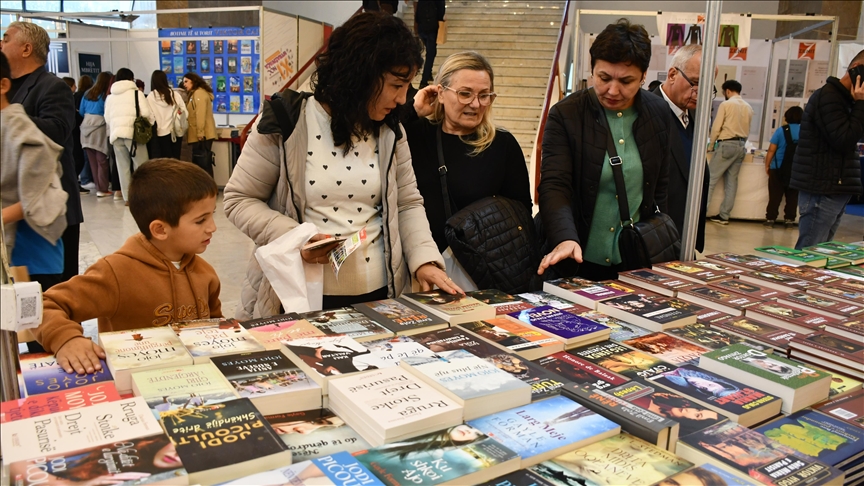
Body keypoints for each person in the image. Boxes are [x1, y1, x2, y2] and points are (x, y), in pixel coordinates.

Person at [224, 12, 459, 319]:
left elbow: (407, 204)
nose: (403, 99)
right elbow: (239, 200)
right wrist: (297, 235)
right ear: (361, 74)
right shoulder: (286, 121)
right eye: (396, 85)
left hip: (380, 295)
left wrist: (425, 260)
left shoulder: (390, 131)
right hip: (301, 297)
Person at [34, 159, 222, 375]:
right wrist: (66, 338)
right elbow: (44, 305)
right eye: (201, 220)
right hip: (134, 386)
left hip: (198, 382)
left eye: (212, 215)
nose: (213, 228)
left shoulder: (205, 273)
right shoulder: (115, 273)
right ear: (160, 229)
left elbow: (217, 326)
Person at [537, 18, 672, 281]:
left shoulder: (658, 113)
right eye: (604, 77)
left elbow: (660, 187)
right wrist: (565, 237)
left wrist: (659, 238)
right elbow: (555, 185)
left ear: (644, 76)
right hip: (576, 257)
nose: (613, 90)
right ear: (592, 70)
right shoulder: (566, 115)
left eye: (626, 81)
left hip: (635, 259)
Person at [407, 51, 532, 288]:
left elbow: (520, 215)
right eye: (465, 94)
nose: (475, 104)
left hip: (480, 276)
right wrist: (413, 110)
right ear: (441, 93)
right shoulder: (416, 134)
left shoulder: (502, 145)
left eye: (484, 96)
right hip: (419, 271)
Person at [1, 21, 83, 283]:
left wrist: (11, 117)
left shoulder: (51, 86)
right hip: (14, 212)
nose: (1, 44)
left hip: (50, 205)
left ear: (26, 48)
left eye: (5, 38)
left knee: (58, 294)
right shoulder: (9, 87)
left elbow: (58, 130)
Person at [791, 49, 864, 249]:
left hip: (835, 188)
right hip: (822, 189)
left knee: (820, 253)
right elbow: (844, 139)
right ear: (856, 69)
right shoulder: (829, 97)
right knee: (808, 254)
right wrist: (861, 105)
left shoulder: (847, 101)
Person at [652, 44, 712, 253]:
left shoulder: (695, 114)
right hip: (657, 238)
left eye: (707, 87)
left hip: (686, 235)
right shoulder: (647, 113)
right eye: (695, 83)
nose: (699, 94)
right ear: (672, 74)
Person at [706, 79, 754, 225]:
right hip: (741, 145)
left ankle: (701, 212)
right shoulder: (748, 107)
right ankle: (724, 215)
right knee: (732, 182)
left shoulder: (726, 104)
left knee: (710, 179)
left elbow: (716, 127)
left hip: (726, 144)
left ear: (727, 91)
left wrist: (711, 144)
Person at [104, 67, 153, 204]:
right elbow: (146, 114)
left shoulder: (110, 97)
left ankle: (128, 198)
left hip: (116, 135)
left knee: (122, 167)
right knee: (141, 167)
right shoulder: (137, 94)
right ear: (132, 79)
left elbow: (107, 118)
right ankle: (143, 197)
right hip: (134, 135)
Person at [763, 106, 803, 228]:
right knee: (792, 196)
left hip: (778, 167)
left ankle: (770, 218)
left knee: (775, 194)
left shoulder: (781, 130)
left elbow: (771, 150)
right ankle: (790, 219)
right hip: (797, 169)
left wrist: (767, 165)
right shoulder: (805, 131)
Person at [79, 71, 113, 197]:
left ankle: (99, 187)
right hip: (99, 127)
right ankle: (103, 189)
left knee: (92, 161)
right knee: (102, 160)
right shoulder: (105, 95)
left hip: (85, 127)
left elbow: (81, 111)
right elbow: (107, 112)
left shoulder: (87, 93)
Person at [147, 69, 188, 159]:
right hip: (176, 132)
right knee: (175, 161)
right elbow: (185, 113)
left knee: (164, 164)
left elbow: (150, 117)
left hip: (160, 134)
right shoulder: (174, 94)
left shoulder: (150, 97)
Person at [183, 71, 217, 177]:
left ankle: (208, 189)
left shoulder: (199, 94)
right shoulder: (195, 94)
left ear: (193, 81)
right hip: (201, 134)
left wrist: (200, 133)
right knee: (203, 162)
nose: (184, 84)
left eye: (186, 81)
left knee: (203, 163)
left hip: (202, 135)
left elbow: (200, 114)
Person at [414, 0, 445, 87]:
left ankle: (429, 74)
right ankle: (424, 80)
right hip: (432, 28)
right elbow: (441, 10)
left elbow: (418, 11)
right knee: (431, 53)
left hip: (422, 27)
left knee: (429, 51)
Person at [74, 74, 94, 191]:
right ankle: (87, 179)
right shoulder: (89, 95)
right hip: (86, 126)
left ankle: (85, 179)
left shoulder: (76, 96)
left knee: (84, 154)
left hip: (80, 128)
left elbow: (80, 111)